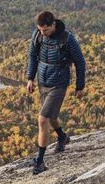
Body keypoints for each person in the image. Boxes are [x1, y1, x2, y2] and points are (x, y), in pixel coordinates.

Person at [25, 10, 87, 174]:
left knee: (43, 119)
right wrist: (30, 78)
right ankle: (62, 137)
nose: (42, 33)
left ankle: (39, 161)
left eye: (45, 30)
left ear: (53, 24)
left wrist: (80, 87)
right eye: (39, 29)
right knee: (51, 116)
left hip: (59, 83)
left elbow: (80, 62)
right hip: (42, 81)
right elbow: (32, 56)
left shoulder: (67, 39)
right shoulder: (38, 35)